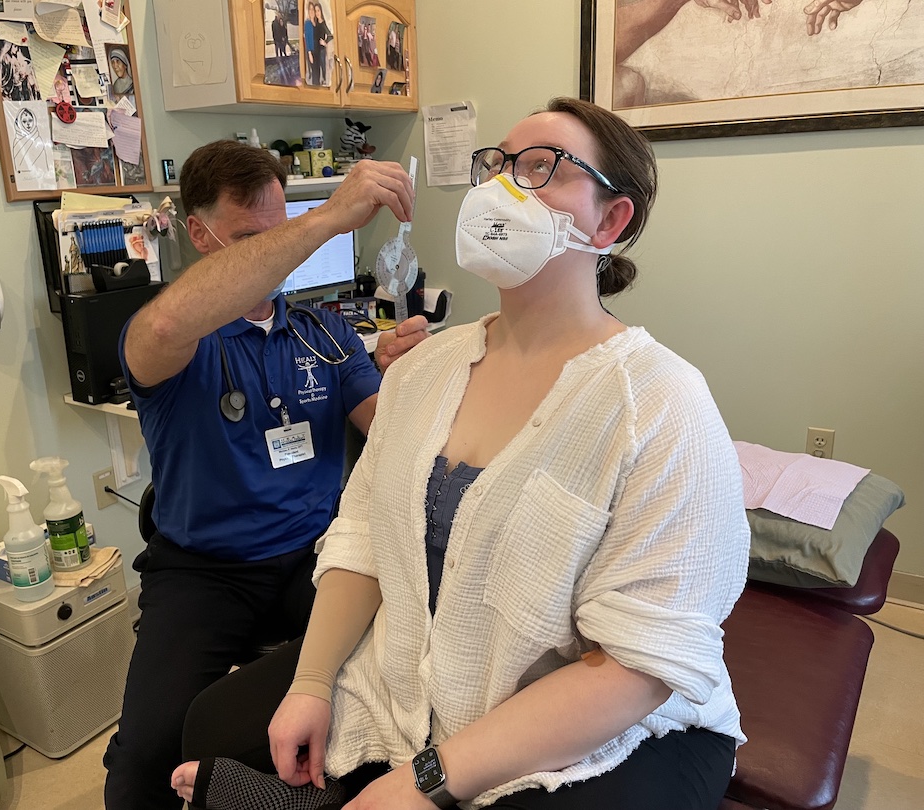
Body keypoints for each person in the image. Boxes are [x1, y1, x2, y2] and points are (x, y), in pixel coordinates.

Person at [171, 97, 751, 810]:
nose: (503, 187)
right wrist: (311, 684)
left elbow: (636, 667)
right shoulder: (424, 370)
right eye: (498, 164)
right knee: (211, 723)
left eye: (542, 168)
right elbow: (364, 542)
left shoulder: (660, 403)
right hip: (418, 672)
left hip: (616, 717)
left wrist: (425, 782)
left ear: (611, 221)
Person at [103, 140, 429, 810]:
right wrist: (327, 220)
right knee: (142, 759)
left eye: (280, 231)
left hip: (319, 557)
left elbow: (386, 428)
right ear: (199, 234)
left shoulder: (323, 334)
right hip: (202, 571)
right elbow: (167, 320)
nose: (278, 252)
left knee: (393, 698)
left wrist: (409, 380)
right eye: (256, 237)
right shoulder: (172, 337)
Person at [304, 2, 317, 85]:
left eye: (313, 9)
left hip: (318, 50)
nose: (311, 11)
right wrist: (309, 53)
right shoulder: (307, 23)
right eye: (310, 9)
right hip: (311, 51)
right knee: (314, 71)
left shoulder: (317, 22)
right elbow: (307, 39)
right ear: (308, 11)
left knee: (317, 71)